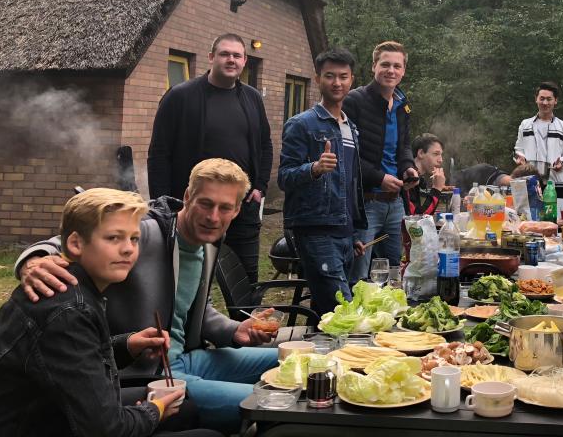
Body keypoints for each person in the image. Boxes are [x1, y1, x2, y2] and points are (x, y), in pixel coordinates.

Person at [14, 159, 279, 434]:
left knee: (289, 361)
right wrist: (34, 260)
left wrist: (235, 330)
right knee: (272, 405)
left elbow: (192, 308)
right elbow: (66, 241)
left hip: (188, 358)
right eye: (205, 203)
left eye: (224, 207)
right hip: (148, 374)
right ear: (187, 197)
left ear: (236, 210)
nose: (213, 217)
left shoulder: (209, 243)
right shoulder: (146, 231)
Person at [0, 188, 220, 437]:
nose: (128, 248)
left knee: (185, 409)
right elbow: (106, 430)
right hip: (15, 427)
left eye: (134, 238)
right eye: (113, 238)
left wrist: (128, 345)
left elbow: (70, 359)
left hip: (47, 410)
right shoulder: (68, 308)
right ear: (76, 244)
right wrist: (155, 410)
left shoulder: (79, 288)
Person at [147, 33, 272, 283]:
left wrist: (260, 187)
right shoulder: (180, 96)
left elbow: (265, 145)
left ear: (244, 61)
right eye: (224, 54)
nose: (231, 60)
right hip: (195, 208)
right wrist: (163, 205)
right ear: (211, 57)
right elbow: (159, 154)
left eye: (237, 55)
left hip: (241, 207)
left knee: (247, 283)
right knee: (188, 281)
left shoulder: (252, 98)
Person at [278, 49, 368, 316]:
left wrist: (353, 232)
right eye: (330, 76)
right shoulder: (301, 124)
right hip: (315, 231)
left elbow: (350, 185)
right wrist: (314, 169)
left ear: (351, 80)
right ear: (317, 79)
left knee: (326, 315)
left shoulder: (351, 128)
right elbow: (284, 177)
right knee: (344, 313)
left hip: (344, 232)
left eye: (343, 76)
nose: (337, 83)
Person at [344, 41, 419, 282]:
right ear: (374, 66)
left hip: (395, 203)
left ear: (403, 71)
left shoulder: (402, 105)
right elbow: (347, 155)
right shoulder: (354, 101)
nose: (391, 70)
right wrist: (379, 178)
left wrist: (408, 167)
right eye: (385, 64)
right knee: (359, 275)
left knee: (394, 273)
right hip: (366, 203)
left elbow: (404, 146)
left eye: (397, 66)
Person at [513, 81, 563, 198]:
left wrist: (561, 162)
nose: (545, 103)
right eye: (542, 98)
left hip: (556, 182)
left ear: (555, 101)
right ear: (536, 99)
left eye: (549, 99)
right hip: (529, 180)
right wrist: (520, 158)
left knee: (555, 210)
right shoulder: (525, 125)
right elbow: (517, 150)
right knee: (529, 210)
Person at [405, 133, 447, 216]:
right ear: (421, 153)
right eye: (436, 154)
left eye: (441, 155)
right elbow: (417, 217)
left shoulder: (419, 178)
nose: (440, 160)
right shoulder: (409, 176)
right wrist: (437, 189)